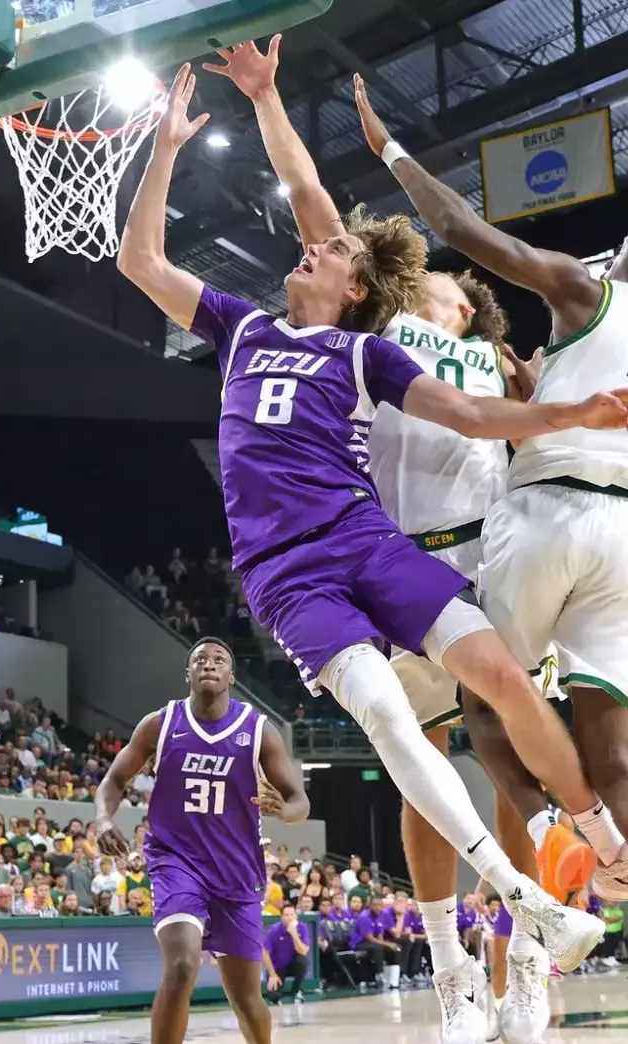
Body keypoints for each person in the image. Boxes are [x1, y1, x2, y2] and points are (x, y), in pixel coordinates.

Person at [118, 60, 614, 986]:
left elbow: (475, 415)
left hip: (386, 542)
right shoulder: (249, 327)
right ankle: (519, 905)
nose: (316, 246)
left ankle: (592, 841)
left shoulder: (400, 350)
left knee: (504, 683)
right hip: (291, 568)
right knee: (393, 722)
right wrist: (202, 129)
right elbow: (150, 259)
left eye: (334, 250)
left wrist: (563, 412)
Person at [353, 80, 628, 1042]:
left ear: (472, 311)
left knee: (514, 729)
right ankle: (451, 969)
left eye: (452, 287)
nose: (437, 284)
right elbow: (341, 234)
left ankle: (524, 963)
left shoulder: (513, 367)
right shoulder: (381, 340)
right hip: (400, 562)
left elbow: (545, 424)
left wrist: (542, 393)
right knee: (422, 768)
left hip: (500, 549)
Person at [95, 636, 309, 1044]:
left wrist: (285, 810)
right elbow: (114, 779)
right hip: (176, 861)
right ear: (188, 673)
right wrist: (104, 820)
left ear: (231, 676)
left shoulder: (258, 729)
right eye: (200, 659)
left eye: (219, 659)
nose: (209, 664)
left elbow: (300, 800)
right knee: (181, 967)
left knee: (246, 998)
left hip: (237, 870)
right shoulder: (160, 723)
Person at [262, 904, 311, 1004]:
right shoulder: (275, 930)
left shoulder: (302, 927)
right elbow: (265, 953)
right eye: (286, 915)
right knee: (273, 996)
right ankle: (277, 992)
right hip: (278, 967)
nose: (289, 918)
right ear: (281, 917)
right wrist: (272, 975)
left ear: (296, 916)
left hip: (292, 964)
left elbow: (304, 951)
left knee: (302, 961)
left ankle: (296, 991)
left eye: (292, 914)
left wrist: (294, 935)